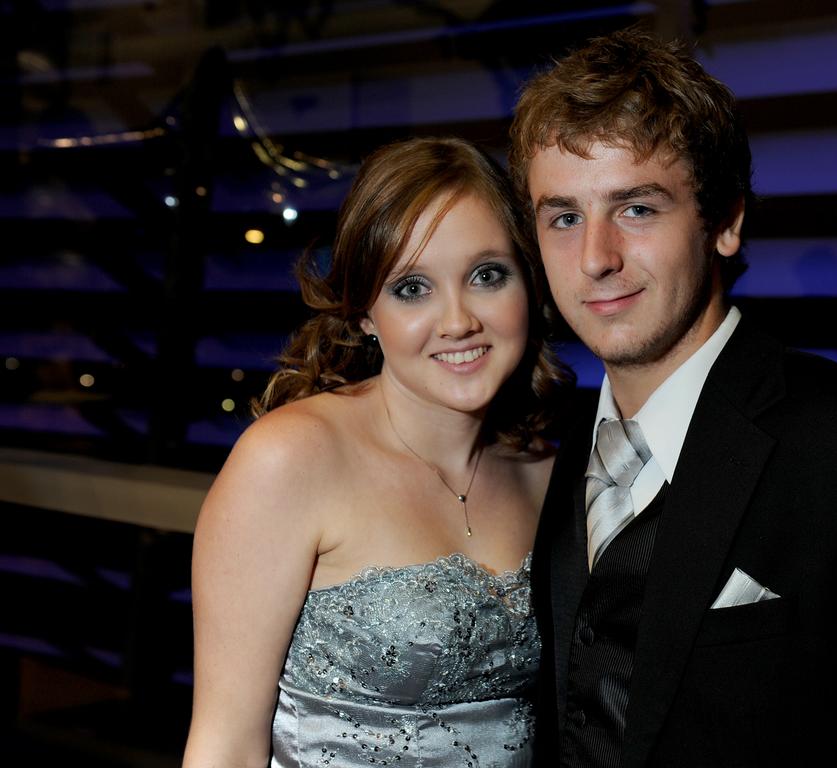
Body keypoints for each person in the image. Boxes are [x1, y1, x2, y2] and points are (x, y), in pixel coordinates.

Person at [508, 27, 837, 767]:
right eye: (564, 216)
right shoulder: (542, 453)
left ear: (724, 222)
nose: (595, 258)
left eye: (637, 209)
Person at [182, 136, 571, 768]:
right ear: (365, 312)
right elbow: (224, 746)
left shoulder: (549, 475)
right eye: (412, 287)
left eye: (486, 275)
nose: (457, 321)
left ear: (529, 282)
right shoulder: (290, 459)